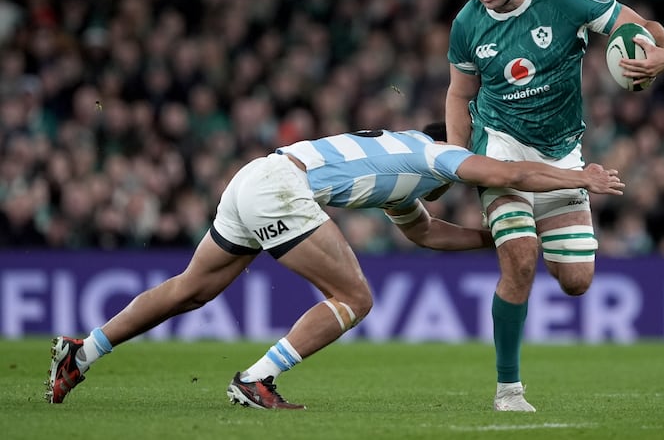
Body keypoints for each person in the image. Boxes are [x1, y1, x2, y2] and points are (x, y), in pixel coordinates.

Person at [47, 123, 624, 409]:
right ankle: (256, 380)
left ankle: (83, 350)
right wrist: (582, 179)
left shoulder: (407, 177)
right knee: (356, 298)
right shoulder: (439, 154)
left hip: (255, 175)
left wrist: (495, 238)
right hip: (282, 186)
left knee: (191, 290)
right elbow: (509, 176)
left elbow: (426, 233)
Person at [445, 0, 664, 412]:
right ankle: (508, 390)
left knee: (575, 281)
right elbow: (459, 94)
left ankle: (514, 228)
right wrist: (455, 156)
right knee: (522, 258)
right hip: (501, 146)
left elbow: (639, 25)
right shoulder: (467, 23)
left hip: (561, 151)